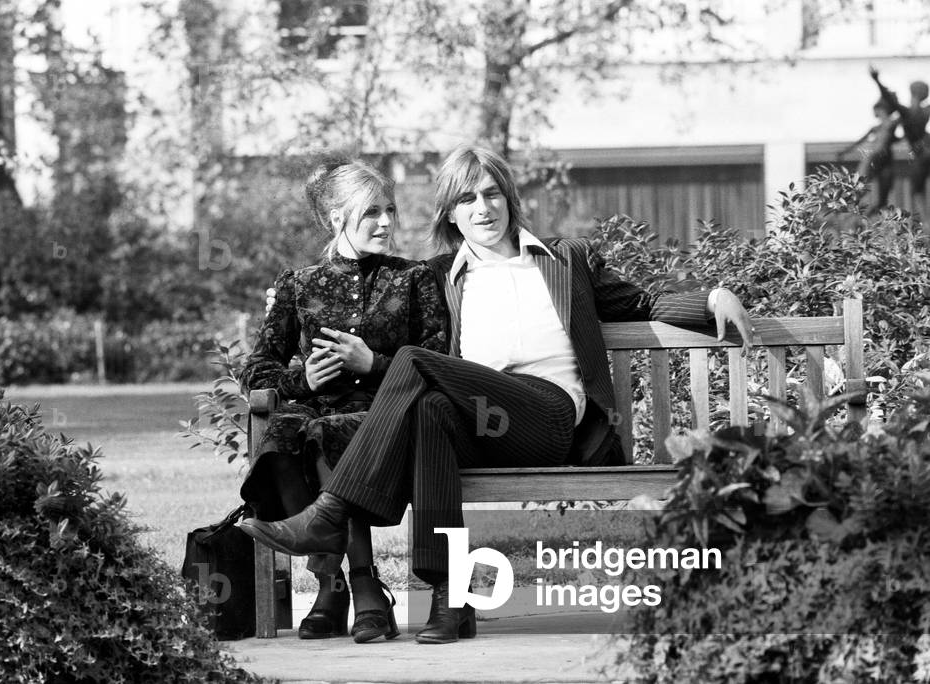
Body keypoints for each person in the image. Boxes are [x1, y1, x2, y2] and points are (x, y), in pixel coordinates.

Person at [239, 144, 754, 644]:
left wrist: (712, 296)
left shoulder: (564, 260)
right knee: (432, 412)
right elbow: (370, 294)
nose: (482, 209)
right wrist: (284, 303)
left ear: (509, 199)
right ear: (451, 215)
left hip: (548, 418)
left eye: (491, 195)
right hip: (477, 422)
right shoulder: (440, 276)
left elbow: (641, 301)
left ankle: (330, 513)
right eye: (467, 200)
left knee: (414, 364)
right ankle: (449, 596)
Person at [239, 157, 446, 643]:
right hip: (315, 408)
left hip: (386, 416)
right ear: (337, 217)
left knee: (328, 435)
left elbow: (439, 360)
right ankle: (336, 587)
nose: (386, 222)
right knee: (291, 432)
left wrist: (373, 363)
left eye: (390, 210)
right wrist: (303, 379)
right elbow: (257, 368)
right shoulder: (299, 284)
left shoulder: (413, 279)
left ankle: (358, 586)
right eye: (372, 211)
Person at [869, 64, 930, 207]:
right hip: (926, 151)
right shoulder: (926, 112)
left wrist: (877, 80)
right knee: (918, 190)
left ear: (913, 93)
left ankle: (927, 225)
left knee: (917, 191)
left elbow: (889, 100)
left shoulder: (907, 113)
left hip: (921, 155)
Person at [837, 98, 899, 211]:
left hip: (883, 160)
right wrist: (845, 151)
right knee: (862, 184)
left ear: (881, 110)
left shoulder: (891, 124)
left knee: (883, 191)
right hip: (875, 158)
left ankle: (872, 208)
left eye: (875, 110)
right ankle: (848, 203)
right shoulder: (878, 128)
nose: (874, 113)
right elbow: (860, 141)